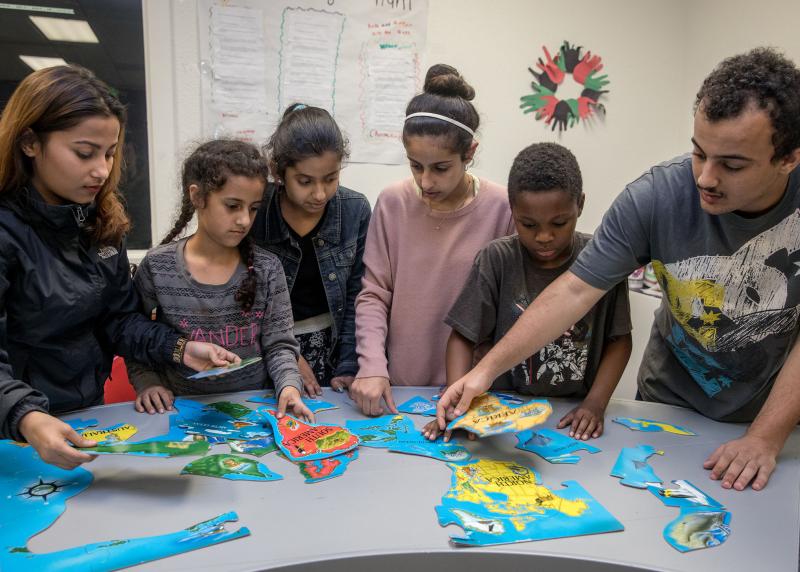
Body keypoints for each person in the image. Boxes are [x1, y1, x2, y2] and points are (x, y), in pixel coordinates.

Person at [437, 47, 800, 491]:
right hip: (671, 399)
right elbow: (572, 292)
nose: (705, 177)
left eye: (732, 164)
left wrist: (765, 437)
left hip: (776, 413)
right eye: (699, 153)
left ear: (788, 158)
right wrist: (483, 372)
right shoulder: (655, 197)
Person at [0, 65, 238, 470]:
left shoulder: (100, 222)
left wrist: (180, 348)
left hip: (80, 415)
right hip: (16, 427)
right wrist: (25, 416)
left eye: (109, 153)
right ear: (29, 143)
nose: (101, 170)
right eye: (84, 152)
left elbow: (118, 320)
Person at [423, 143, 632, 441]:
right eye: (528, 224)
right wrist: (461, 408)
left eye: (559, 223)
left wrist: (596, 403)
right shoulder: (497, 260)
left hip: (570, 414)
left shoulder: (600, 261)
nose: (544, 237)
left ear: (580, 205)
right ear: (513, 211)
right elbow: (462, 336)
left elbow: (619, 341)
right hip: (503, 410)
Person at [352, 64, 514, 416]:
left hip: (475, 394)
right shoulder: (393, 202)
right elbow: (374, 295)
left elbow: (511, 309)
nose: (426, 182)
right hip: (401, 388)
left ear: (469, 153)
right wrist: (372, 366)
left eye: (440, 168)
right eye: (415, 166)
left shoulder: (503, 208)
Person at [128, 139, 312, 421]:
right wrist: (148, 382)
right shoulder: (157, 267)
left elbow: (280, 345)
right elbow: (134, 335)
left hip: (255, 408)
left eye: (252, 208)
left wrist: (289, 386)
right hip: (179, 410)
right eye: (232, 206)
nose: (244, 220)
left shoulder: (267, 268)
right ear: (198, 196)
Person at [251, 104, 370, 397]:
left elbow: (359, 295)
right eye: (305, 181)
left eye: (330, 178)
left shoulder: (354, 210)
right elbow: (243, 303)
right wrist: (288, 356)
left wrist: (348, 365)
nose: (319, 194)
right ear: (279, 173)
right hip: (268, 349)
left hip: (337, 346)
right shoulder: (256, 210)